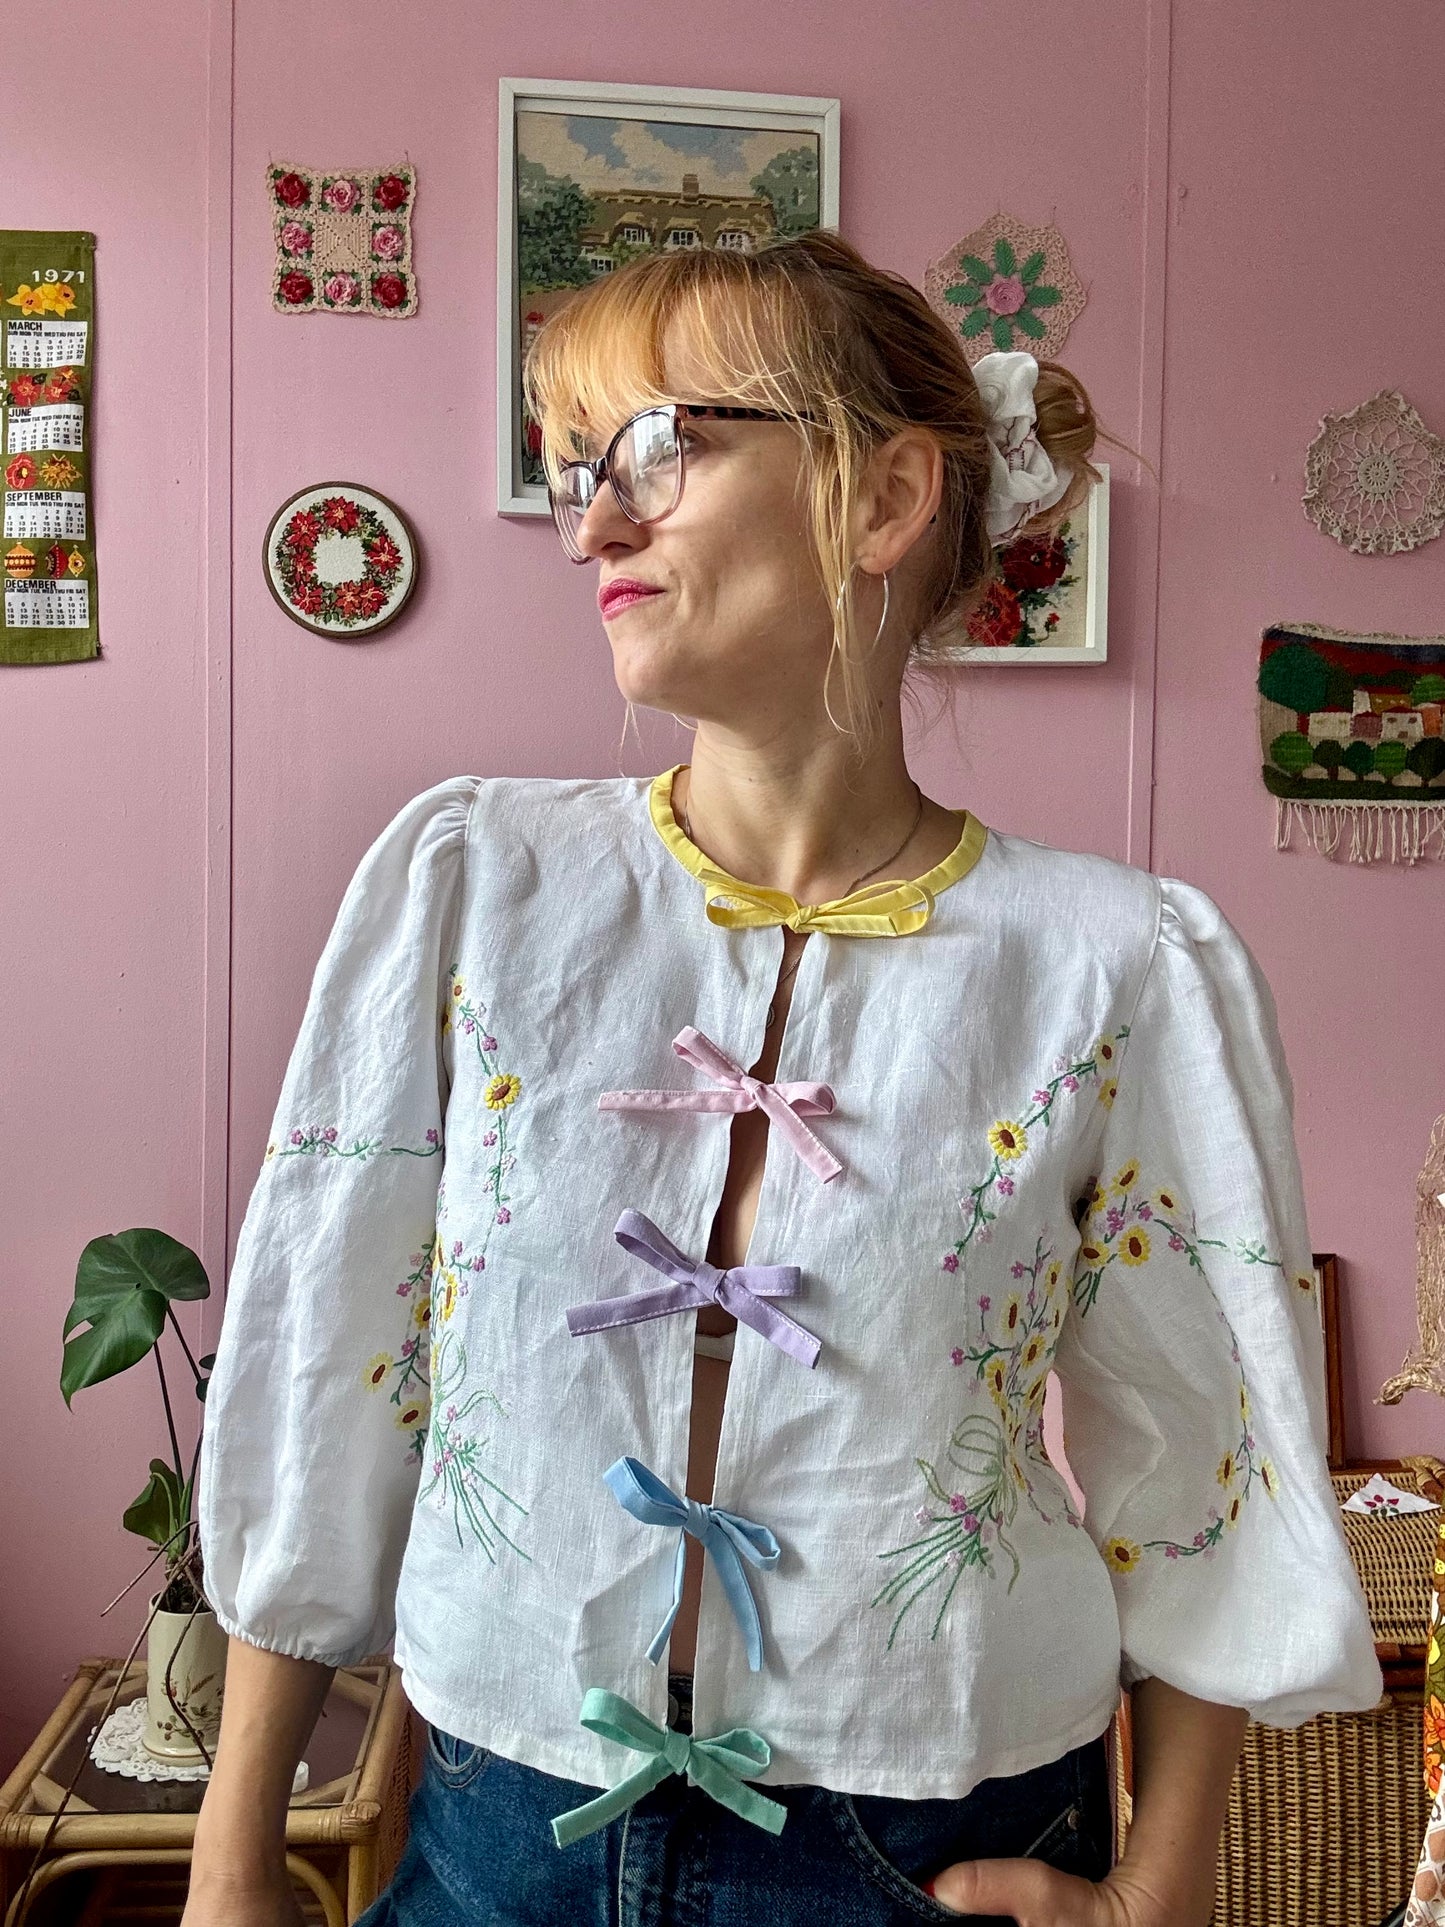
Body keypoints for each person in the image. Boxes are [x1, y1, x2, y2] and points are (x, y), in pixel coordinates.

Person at [182, 232, 1382, 1927]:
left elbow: (1202, 1463)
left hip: (928, 1844)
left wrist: (1161, 1889)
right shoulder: (470, 887)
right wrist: (235, 1854)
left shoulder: (1116, 965)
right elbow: (329, 1358)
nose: (592, 522)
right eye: (568, 470)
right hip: (496, 1829)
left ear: (881, 497)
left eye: (656, 448)